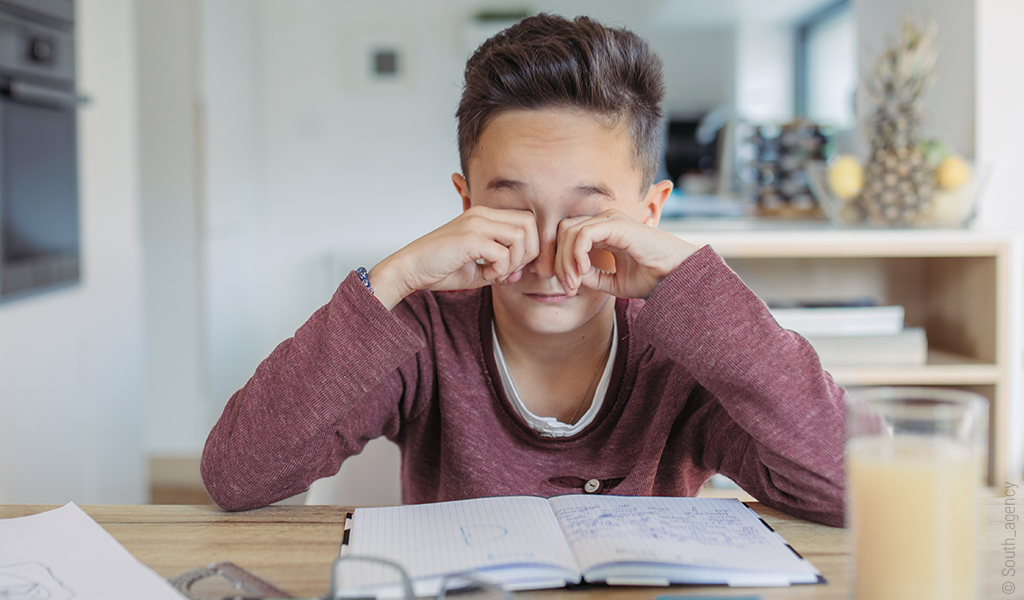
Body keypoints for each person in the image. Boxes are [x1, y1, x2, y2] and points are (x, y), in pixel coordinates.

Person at [201, 13, 845, 527]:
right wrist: (394, 279)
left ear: (649, 215)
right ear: (465, 205)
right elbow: (239, 475)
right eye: (511, 213)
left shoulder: (690, 345)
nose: (544, 255)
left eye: (586, 220)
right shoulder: (425, 333)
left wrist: (701, 290)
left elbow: (853, 490)